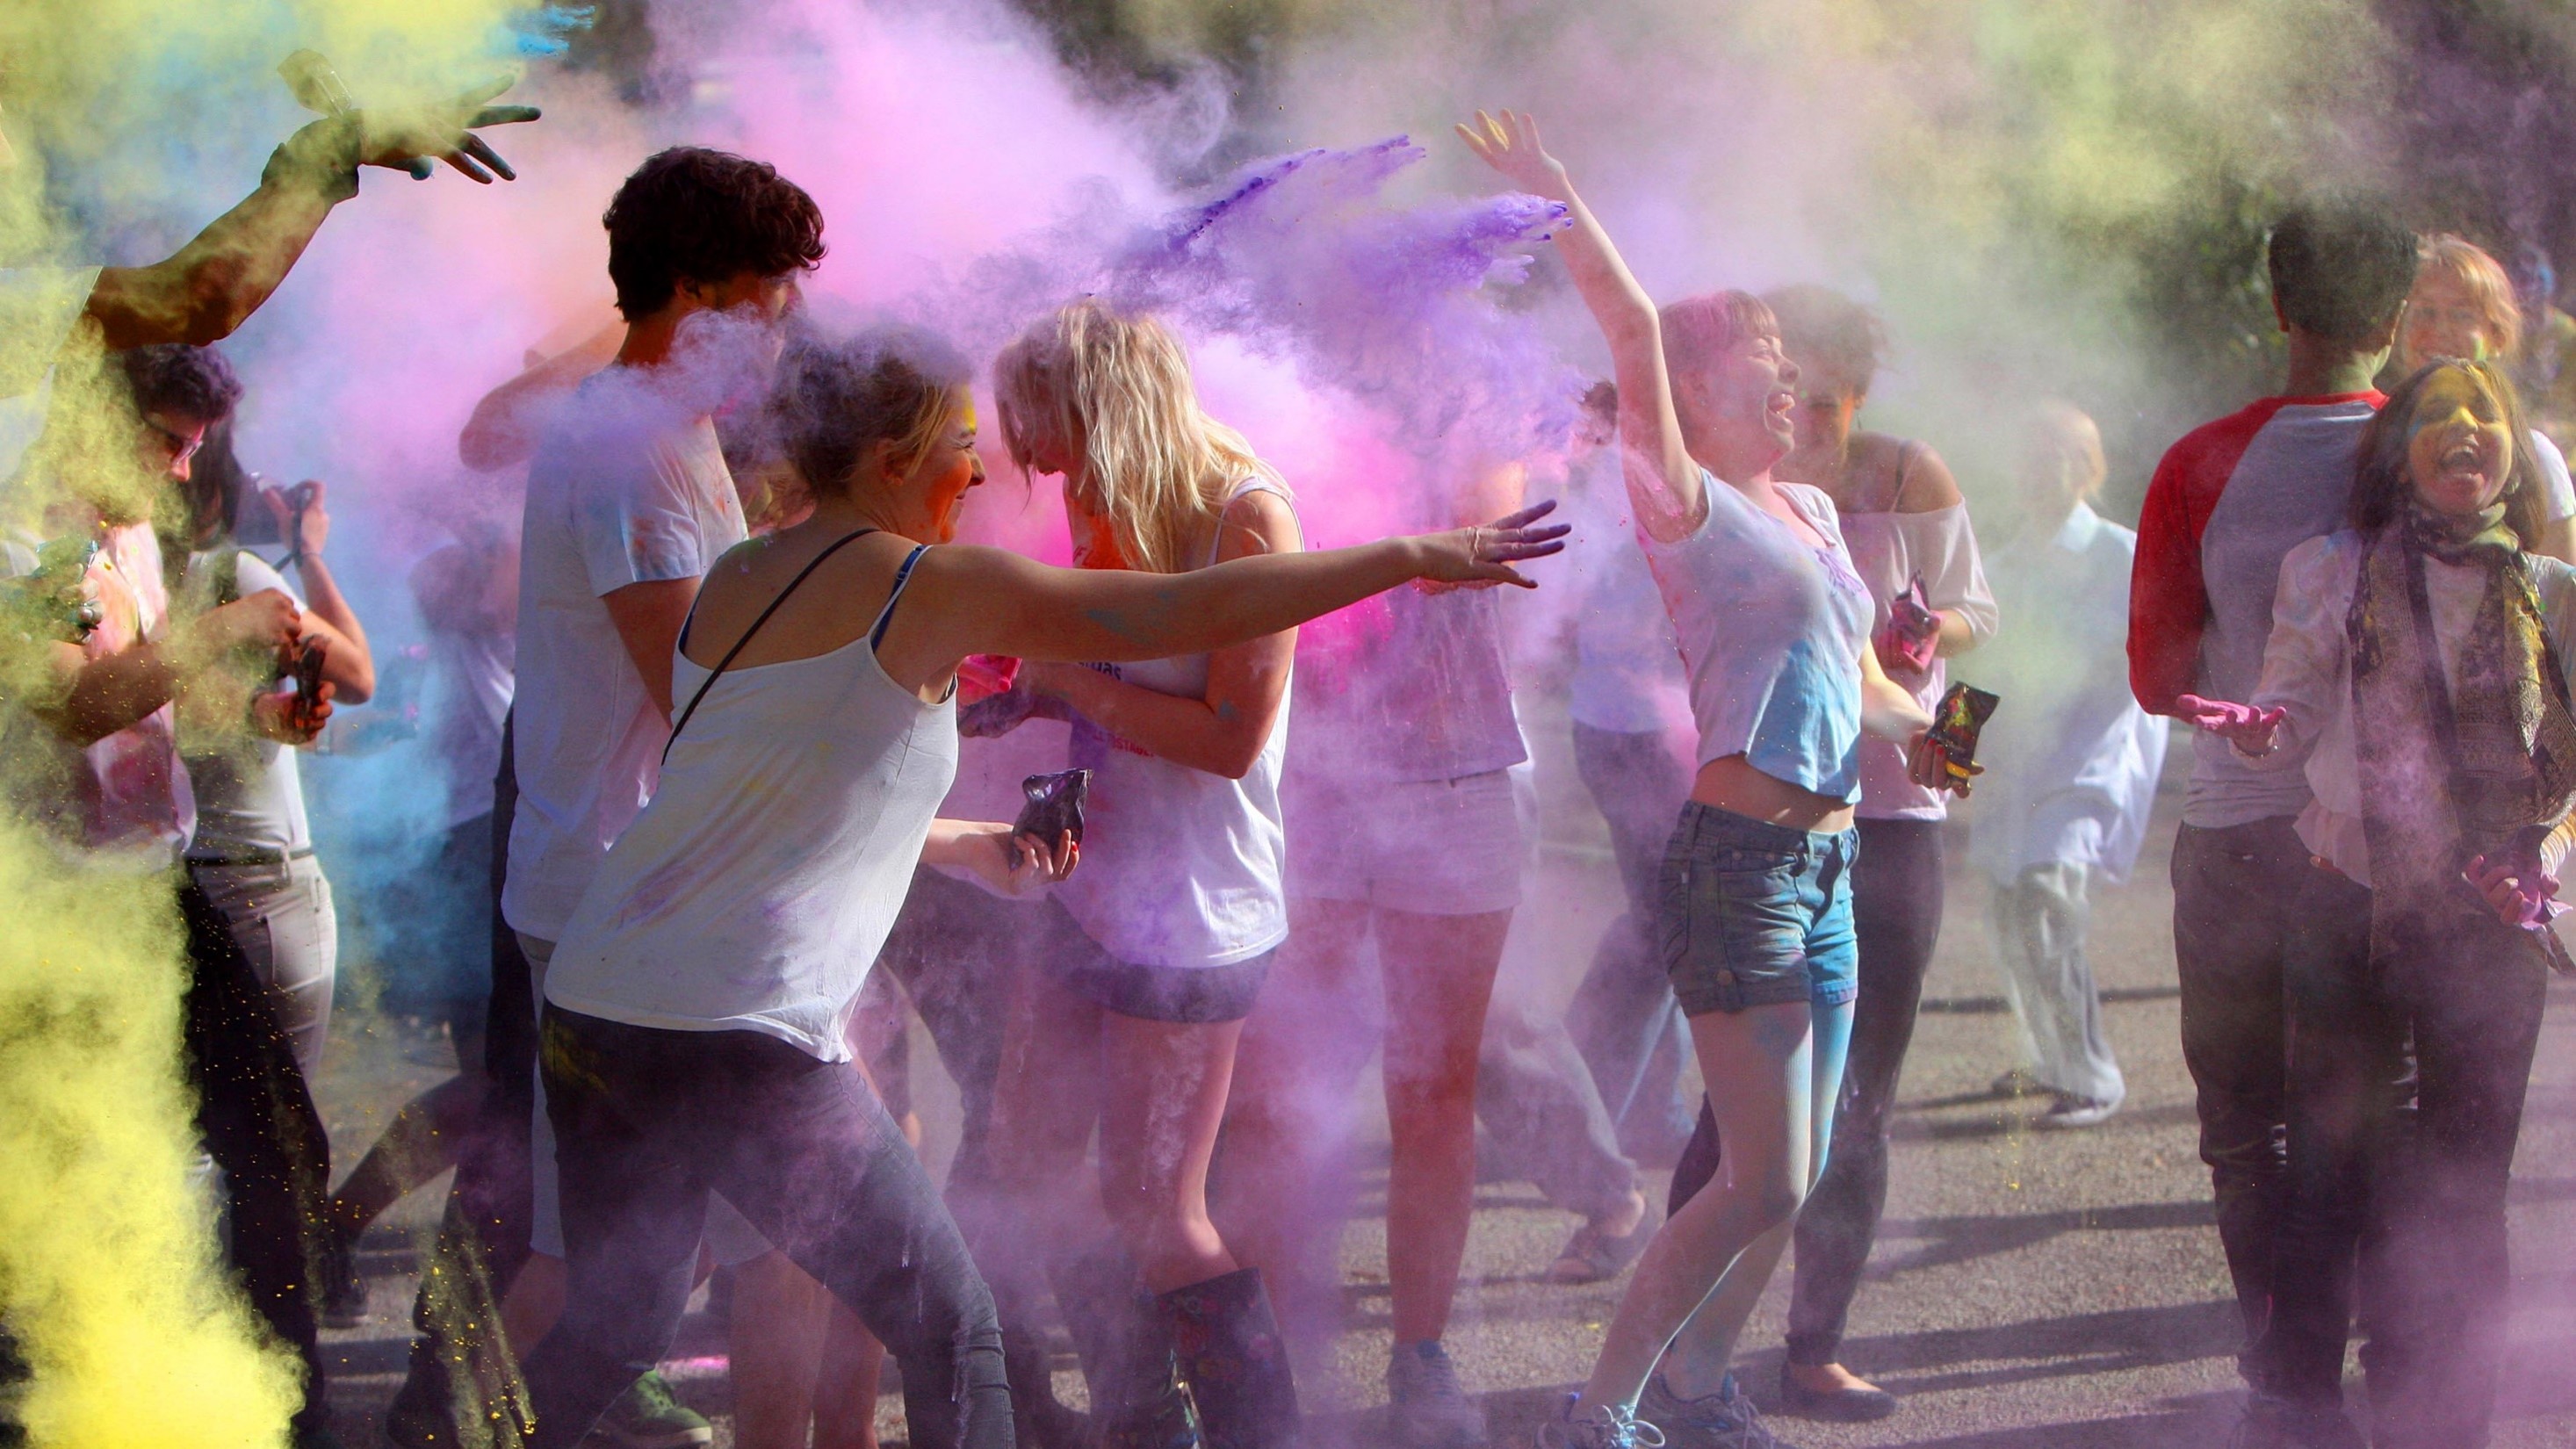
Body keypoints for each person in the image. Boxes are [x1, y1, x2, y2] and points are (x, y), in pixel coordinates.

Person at [516, 323, 1566, 1448]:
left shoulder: (739, 570)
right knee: (953, 1327)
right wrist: (1407, 555)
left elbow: (743, 790)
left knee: (616, 1334)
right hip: (739, 1024)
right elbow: (1175, 617)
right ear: (890, 461)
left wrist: (962, 838)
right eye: (964, 445)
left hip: (599, 998)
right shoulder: (932, 583)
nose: (986, 472)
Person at [1460, 110, 1947, 1449]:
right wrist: (1558, 194)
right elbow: (1627, 328)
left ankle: (1698, 1388)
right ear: (1703, 388)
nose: (1795, 387)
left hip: (1834, 864)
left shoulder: (1808, 513)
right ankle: (1600, 1406)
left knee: (1786, 1185)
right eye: (1769, 368)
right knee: (1758, 1175)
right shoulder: (1688, 504)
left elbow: (1857, 682)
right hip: (1741, 870)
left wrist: (1924, 722)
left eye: (1794, 368)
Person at [386, 145, 827, 1449]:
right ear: (695, 293)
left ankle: (436, 1424)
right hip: (623, 909)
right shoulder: (632, 444)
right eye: (767, 302)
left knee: (654, 1254)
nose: (784, 335)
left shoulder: (660, 428)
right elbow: (702, 689)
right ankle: (435, 1430)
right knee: (608, 1270)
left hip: (641, 898)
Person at [2174, 357, 2569, 1449]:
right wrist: (2261, 726)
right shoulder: (2329, 568)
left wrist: (2544, 855)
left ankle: (2445, 1409)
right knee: (2331, 1153)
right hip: (2345, 893)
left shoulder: (2550, 588)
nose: (2460, 432)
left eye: (2479, 415)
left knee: (2464, 1180)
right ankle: (2297, 1398)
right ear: (2396, 452)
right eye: (2434, 416)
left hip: (2491, 915)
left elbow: (2571, 767)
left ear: (2508, 450)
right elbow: (2291, 705)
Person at [975, 298, 1305, 1449]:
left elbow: (1228, 739)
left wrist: (1065, 682)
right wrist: (1015, 690)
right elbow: (1096, 667)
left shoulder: (1245, 516)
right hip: (1085, 884)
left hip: (1192, 916)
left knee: (1158, 1210)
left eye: (1048, 435)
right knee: (1025, 1166)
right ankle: (1137, 1418)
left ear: (1108, 408)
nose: (1039, 467)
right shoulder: (1103, 488)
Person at [4, 340, 336, 1445]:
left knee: (277, 1148)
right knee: (80, 1185)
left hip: (155, 884)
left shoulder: (129, 535)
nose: (182, 475)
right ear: (94, 416)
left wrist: (255, 719)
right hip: (57, 907)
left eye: (192, 452)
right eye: (165, 444)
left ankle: (282, 1411)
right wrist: (218, 630)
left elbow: (156, 712)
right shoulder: (24, 543)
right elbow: (72, 706)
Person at [2128, 196, 2419, 1446]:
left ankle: (2281, 1363)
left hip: (2240, 825)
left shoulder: (2203, 460)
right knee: (2370, 1100)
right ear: (2395, 320)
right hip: (2379, 840)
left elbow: (2154, 672)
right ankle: (2392, 1343)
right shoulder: (2437, 448)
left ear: (2277, 305)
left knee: (2246, 1117)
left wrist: (2233, 701)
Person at [1681, 282, 1989, 1422]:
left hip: (1895, 812)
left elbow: (1975, 611)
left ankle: (1812, 1349)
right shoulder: (1739, 487)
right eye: (1791, 389)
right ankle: (1676, 1358)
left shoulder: (1908, 474)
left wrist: (1925, 632)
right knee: (1734, 1115)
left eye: (1832, 396)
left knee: (1859, 1097)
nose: (1811, 413)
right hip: (1767, 819)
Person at [1217, 432, 1541, 1449]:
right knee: (1274, 1099)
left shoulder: (1472, 397)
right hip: (1310, 785)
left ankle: (1421, 1357)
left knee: (1432, 1089)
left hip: (1458, 788)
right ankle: (1263, 1365)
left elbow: (1481, 535)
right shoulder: (1273, 393)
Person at [1959, 402, 2166, 1129]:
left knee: (2047, 902)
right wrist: (1951, 755)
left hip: (2087, 762)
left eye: (2055, 453)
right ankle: (2049, 1058)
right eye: (2028, 453)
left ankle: (2093, 1076)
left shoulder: (2120, 553)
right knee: (2009, 917)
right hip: (2016, 770)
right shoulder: (2004, 564)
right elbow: (1975, 666)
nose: (2038, 467)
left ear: (2088, 467)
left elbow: (2139, 653)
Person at [172, 406, 377, 1080]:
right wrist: (305, 551)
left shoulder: (133, 578)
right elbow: (358, 675)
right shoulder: (232, 575)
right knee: (272, 1147)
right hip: (257, 886)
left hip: (198, 881)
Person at [2395, 234, 2576, 563]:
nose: (2440, 329)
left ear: (2498, 336)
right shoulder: (2373, 443)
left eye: (2463, 315)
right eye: (2425, 311)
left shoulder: (2534, 460)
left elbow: (2561, 603)